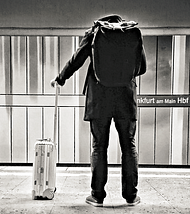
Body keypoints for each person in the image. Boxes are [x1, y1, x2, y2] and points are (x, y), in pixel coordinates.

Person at [51, 14, 146, 207]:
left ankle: (97, 196)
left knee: (99, 147)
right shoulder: (132, 34)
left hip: (99, 98)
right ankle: (130, 195)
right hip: (125, 98)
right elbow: (141, 68)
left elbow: (77, 59)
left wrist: (60, 78)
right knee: (129, 145)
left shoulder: (95, 33)